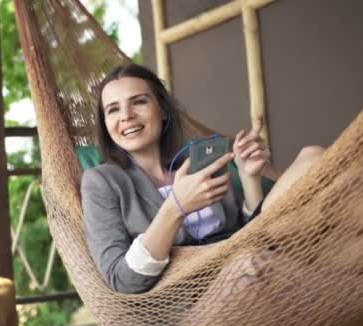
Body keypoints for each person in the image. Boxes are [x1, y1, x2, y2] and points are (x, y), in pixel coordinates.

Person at [81, 63, 324, 294]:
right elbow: (121, 279)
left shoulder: (197, 161)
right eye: (113, 109)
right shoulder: (101, 182)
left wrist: (248, 176)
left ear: (163, 110)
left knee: (312, 156)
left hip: (251, 258)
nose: (126, 116)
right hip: (196, 299)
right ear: (105, 123)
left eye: (139, 102)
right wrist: (176, 207)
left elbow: (248, 231)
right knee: (251, 263)